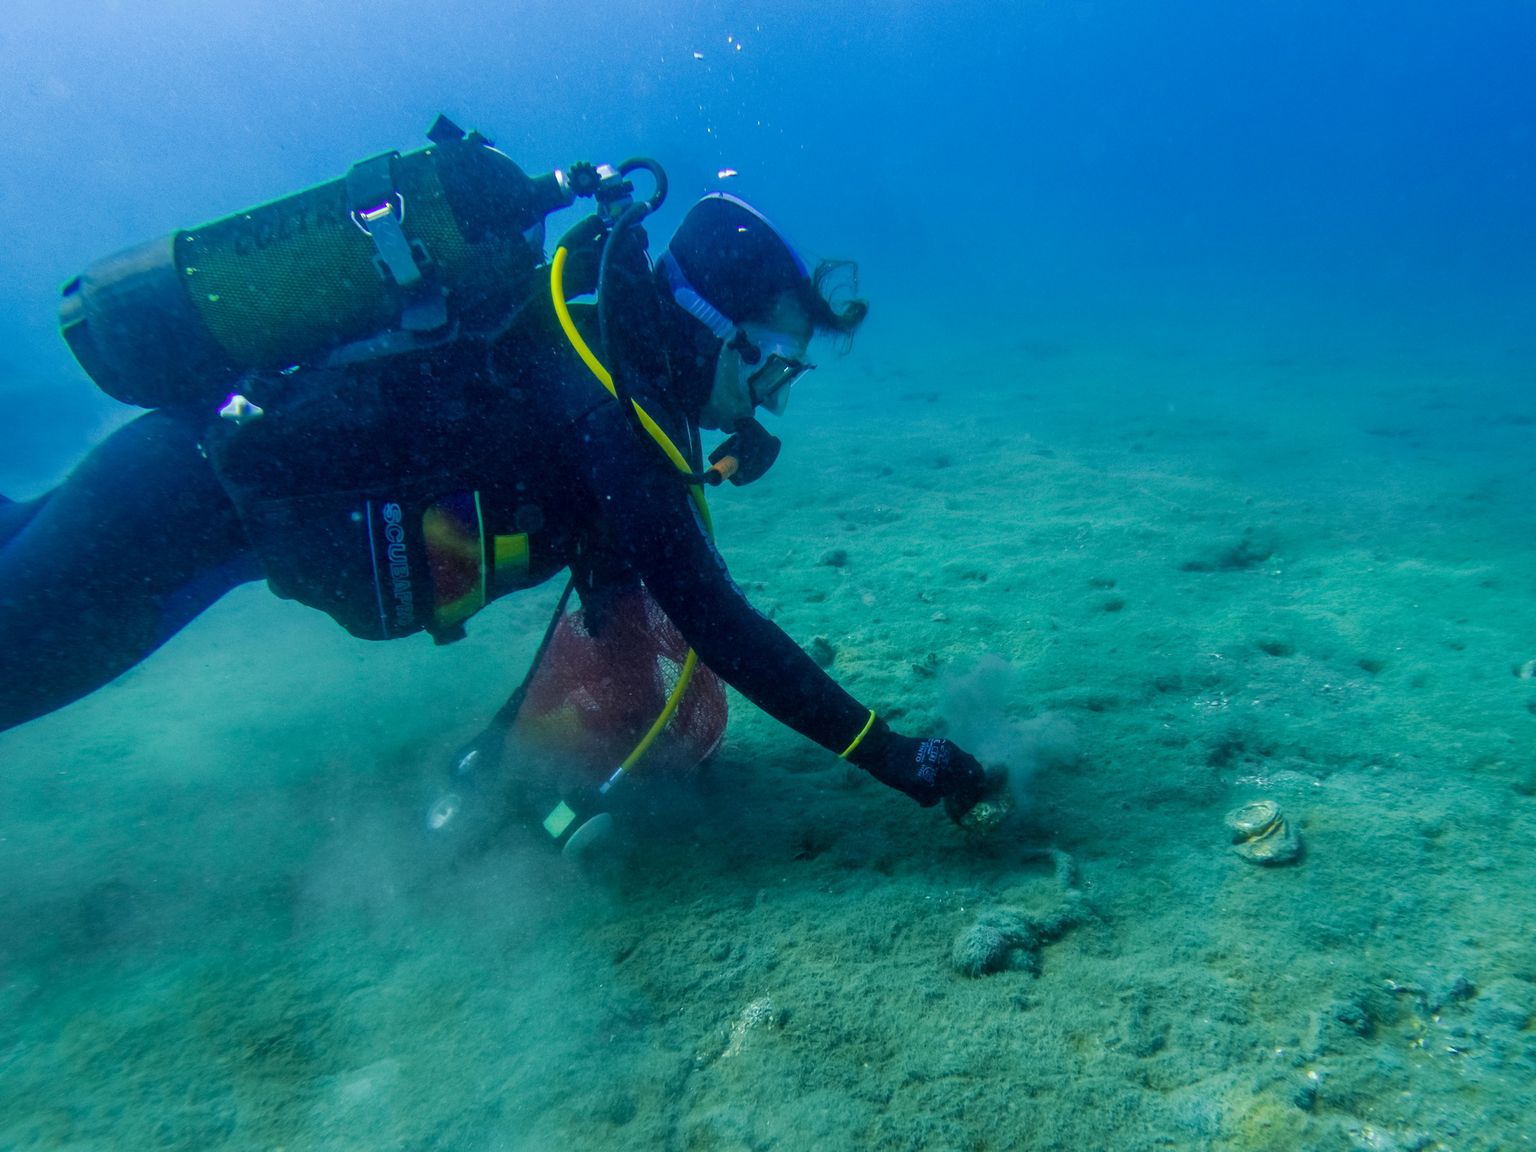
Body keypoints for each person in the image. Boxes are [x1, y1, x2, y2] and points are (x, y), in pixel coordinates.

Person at [0, 158, 997, 844]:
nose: (773, 399)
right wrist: (898, 758)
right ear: (709, 328)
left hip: (196, 483)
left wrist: (494, 763)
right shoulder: (608, 414)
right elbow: (715, 621)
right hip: (185, 504)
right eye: (772, 368)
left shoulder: (603, 360)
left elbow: (605, 611)